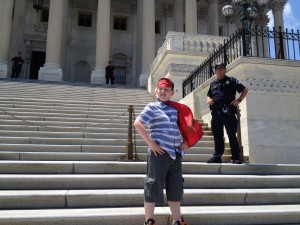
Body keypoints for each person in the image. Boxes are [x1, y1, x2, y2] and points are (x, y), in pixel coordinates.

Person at [134, 78, 202, 225]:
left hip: (175, 154)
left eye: (166, 90)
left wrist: (185, 142)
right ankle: (149, 221)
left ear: (172, 93)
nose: (163, 92)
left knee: (175, 188)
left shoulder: (176, 109)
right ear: (156, 91)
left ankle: (177, 220)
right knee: (153, 185)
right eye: (160, 89)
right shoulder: (152, 107)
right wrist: (151, 143)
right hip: (159, 154)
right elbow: (138, 123)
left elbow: (185, 127)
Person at [206, 62, 248, 164]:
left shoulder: (232, 81)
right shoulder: (213, 84)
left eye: (221, 68)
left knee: (231, 135)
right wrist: (208, 100)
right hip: (216, 113)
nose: (219, 70)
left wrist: (238, 100)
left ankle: (236, 157)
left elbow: (245, 90)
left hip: (228, 112)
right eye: (217, 69)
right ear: (215, 71)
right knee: (217, 136)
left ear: (225, 70)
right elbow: (208, 95)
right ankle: (217, 156)